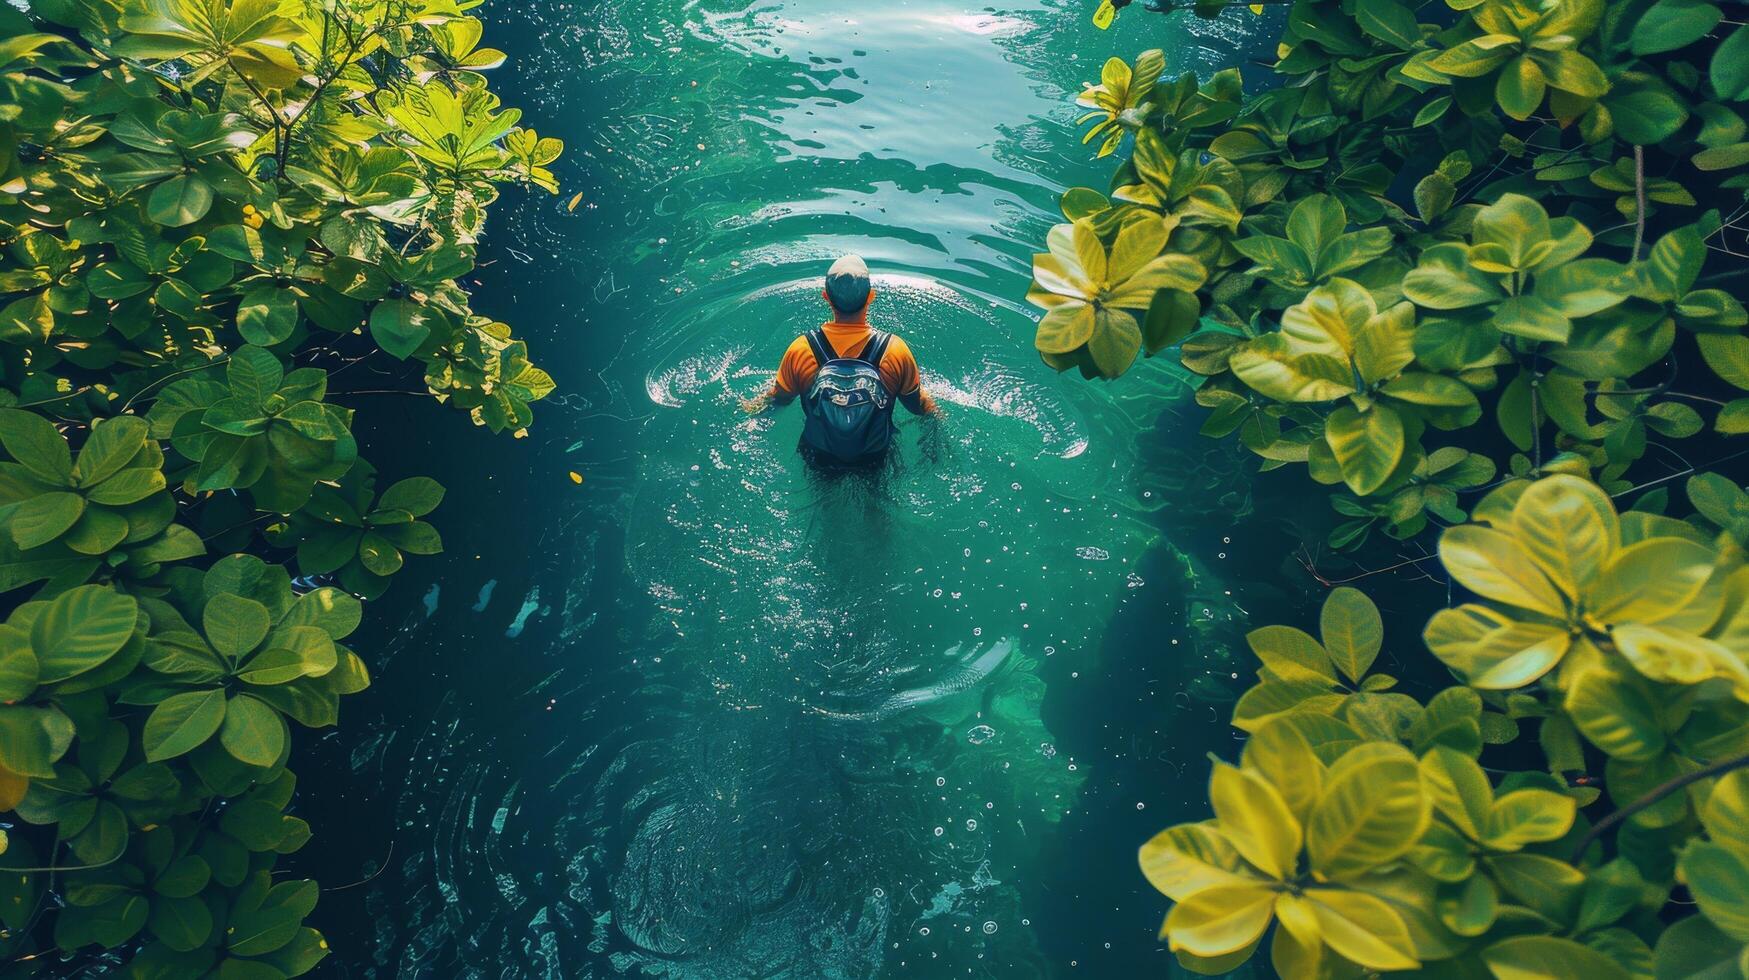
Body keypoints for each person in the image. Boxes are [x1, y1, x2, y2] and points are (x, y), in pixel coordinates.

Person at [742, 254, 938, 467]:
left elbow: (778, 400)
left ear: (826, 297)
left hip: (820, 453)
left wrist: (747, 408)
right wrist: (937, 416)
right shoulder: (895, 350)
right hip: (873, 455)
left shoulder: (801, 349)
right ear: (871, 296)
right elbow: (917, 406)